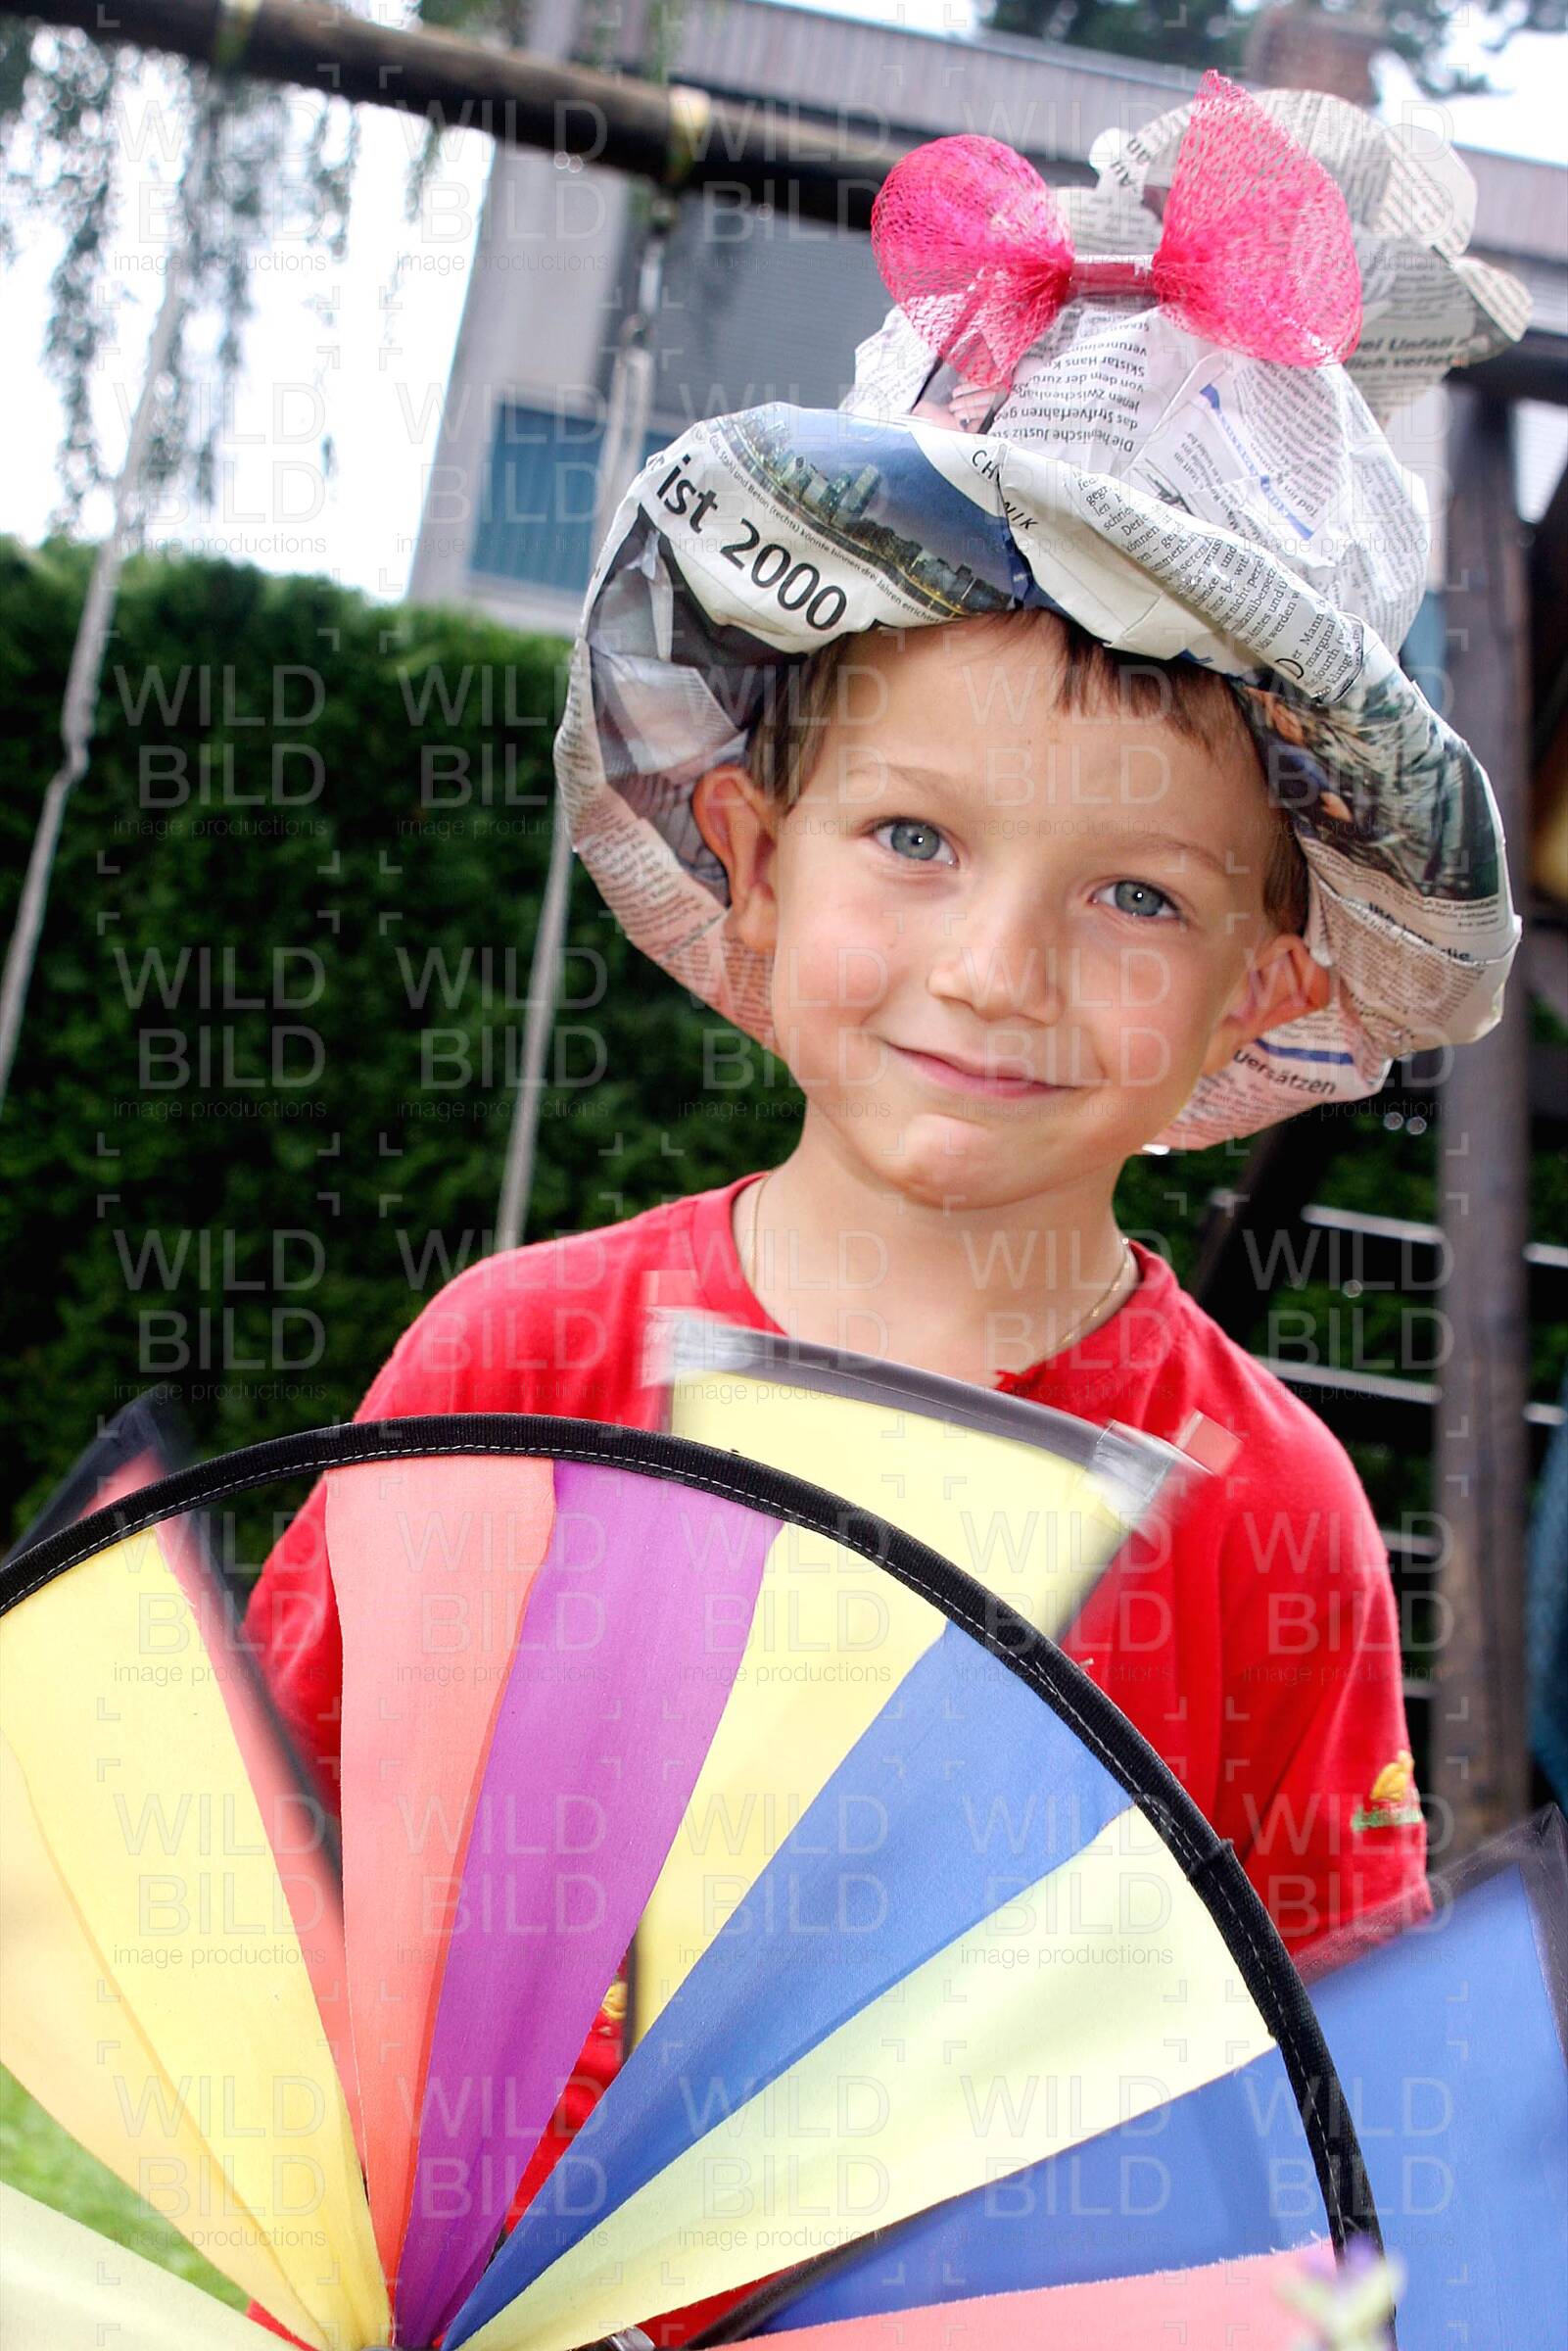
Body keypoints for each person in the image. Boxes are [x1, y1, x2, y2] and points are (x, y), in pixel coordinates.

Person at [244, 72, 1525, 2349]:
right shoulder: (515, 1369)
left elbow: (1322, 2099)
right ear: (754, 863)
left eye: (1137, 895)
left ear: (1269, 979)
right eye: (913, 840)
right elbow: (271, 1897)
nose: (995, 969)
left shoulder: (1267, 1514)